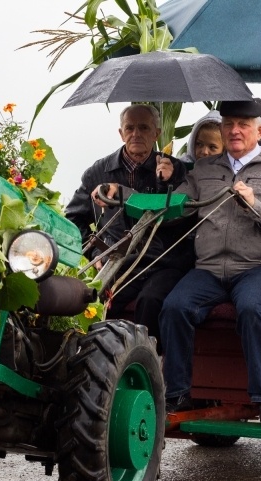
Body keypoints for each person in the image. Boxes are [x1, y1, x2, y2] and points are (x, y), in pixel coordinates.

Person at [157, 98, 261, 427]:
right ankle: (177, 395)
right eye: (229, 124)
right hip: (210, 270)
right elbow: (177, 207)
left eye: (243, 124)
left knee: (254, 308)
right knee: (174, 307)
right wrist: (131, 194)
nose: (235, 130)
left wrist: (256, 205)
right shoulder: (205, 168)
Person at [64, 104, 192, 352]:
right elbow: (73, 220)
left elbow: (185, 218)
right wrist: (95, 253)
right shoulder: (98, 171)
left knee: (150, 300)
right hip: (119, 262)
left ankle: (147, 366)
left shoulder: (174, 169)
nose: (136, 134)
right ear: (121, 133)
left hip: (161, 262)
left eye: (143, 128)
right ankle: (96, 363)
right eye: (130, 128)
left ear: (156, 133)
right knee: (96, 301)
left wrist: (168, 183)